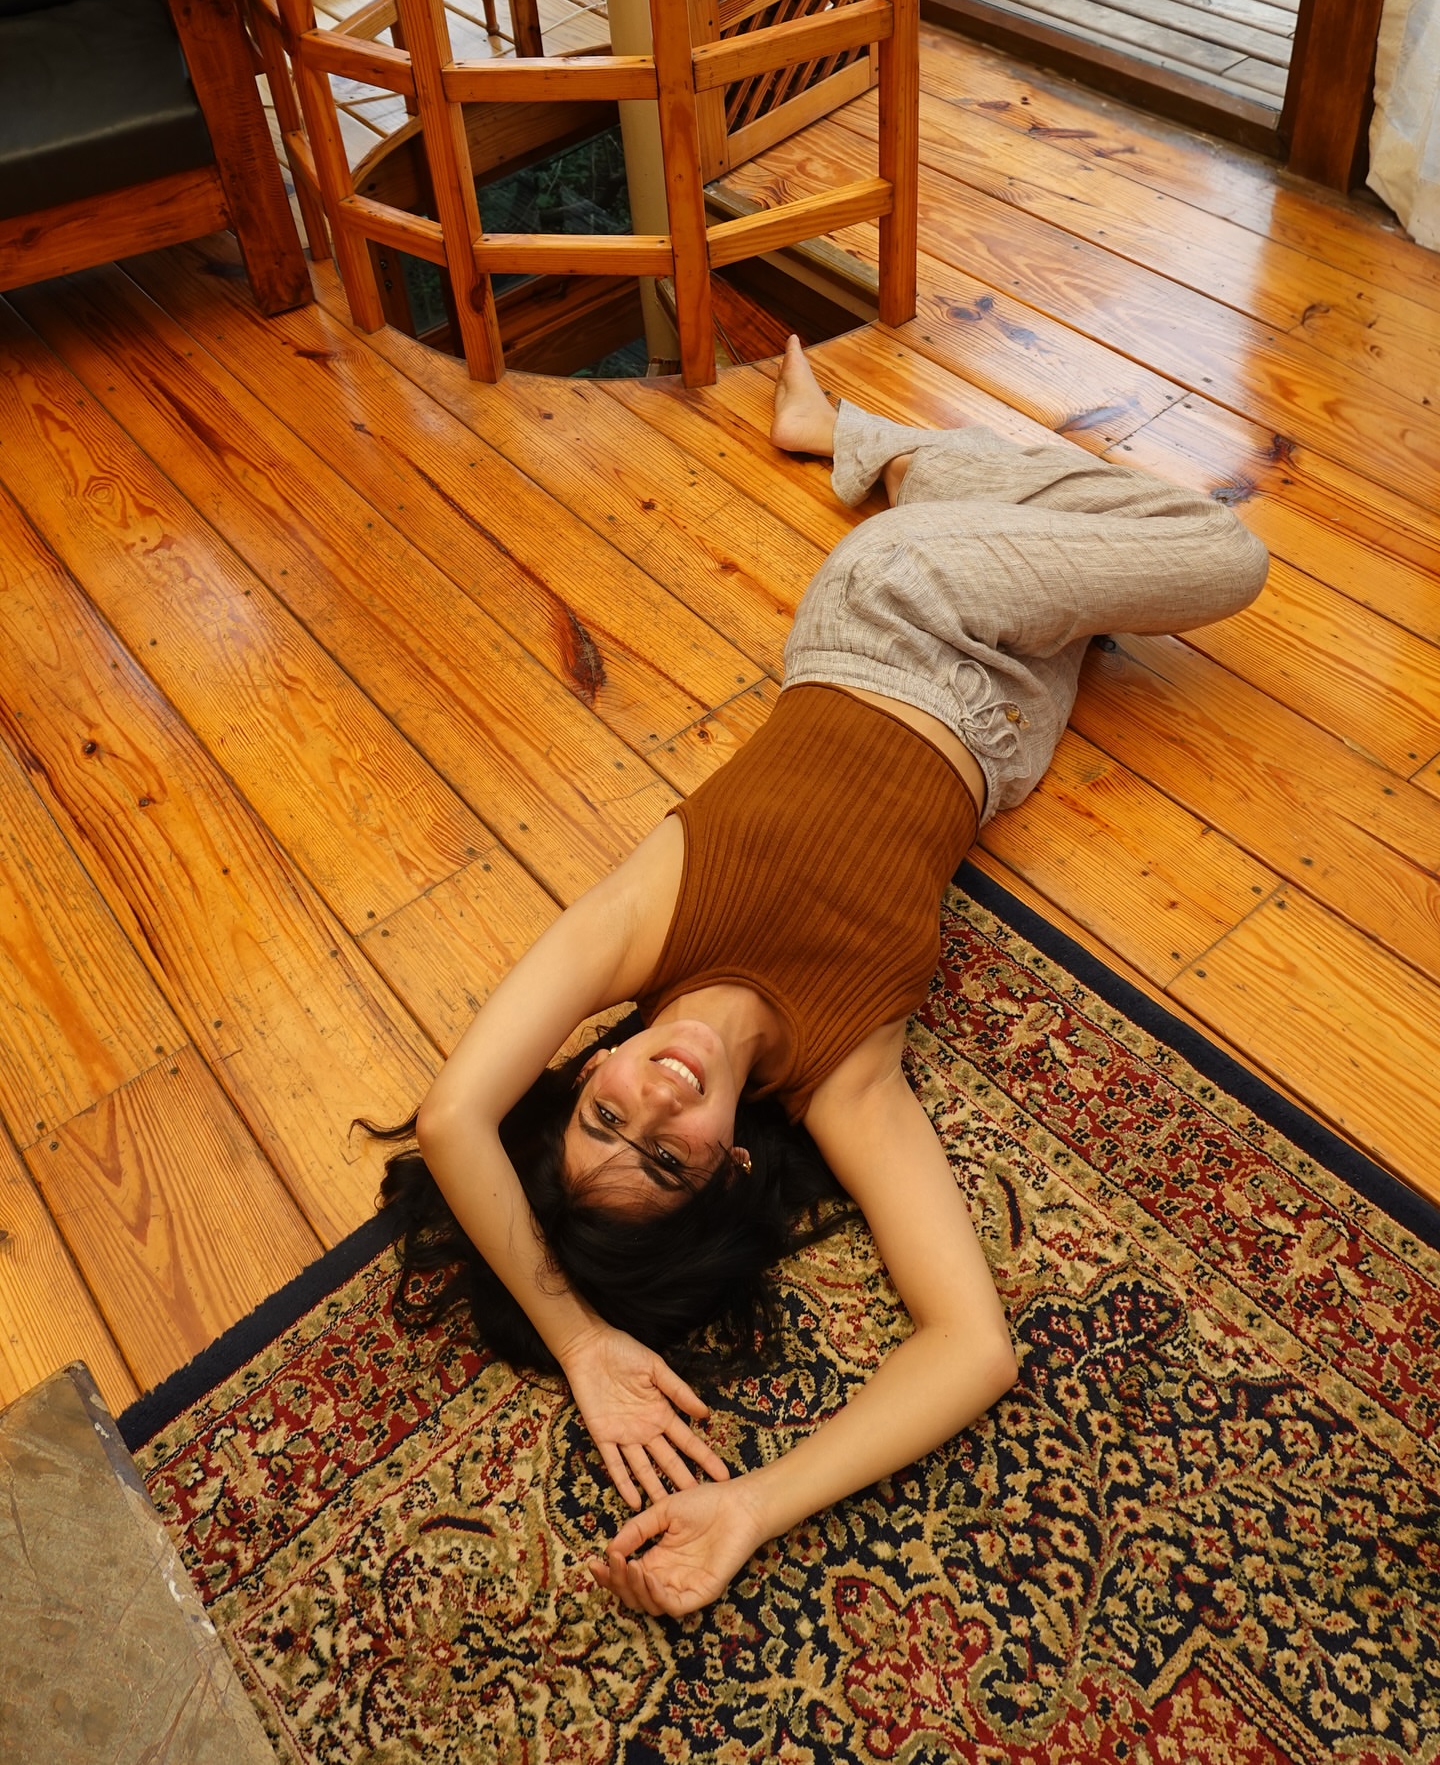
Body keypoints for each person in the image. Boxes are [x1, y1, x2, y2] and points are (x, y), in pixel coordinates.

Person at [394, 337, 1269, 1618]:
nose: (656, 1099)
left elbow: (451, 1117)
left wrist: (578, 1341)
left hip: (897, 613)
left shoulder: (643, 927)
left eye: (606, 1114)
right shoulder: (845, 1080)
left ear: (590, 1065)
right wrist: (751, 1506)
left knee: (1223, 555)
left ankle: (882, 455)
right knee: (1089, 554)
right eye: (667, 1158)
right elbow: (972, 1348)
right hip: (1010, 732)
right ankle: (877, 453)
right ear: (731, 1167)